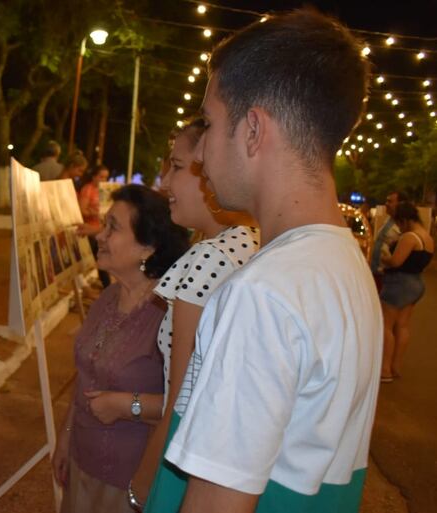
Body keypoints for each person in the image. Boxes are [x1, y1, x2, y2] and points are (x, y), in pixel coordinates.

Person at [159, 10, 382, 513]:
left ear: (254, 129)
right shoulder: (344, 265)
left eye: (210, 124)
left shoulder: (263, 293)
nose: (201, 155)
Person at [132, 120, 259, 512]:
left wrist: (142, 486)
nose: (165, 182)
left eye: (176, 166)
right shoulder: (251, 241)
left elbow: (180, 400)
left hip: (183, 466)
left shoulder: (209, 258)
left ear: (211, 166)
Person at [51, 184, 189, 513]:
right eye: (104, 224)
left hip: (128, 482)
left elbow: (187, 403)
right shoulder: (108, 297)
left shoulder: (170, 314)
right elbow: (85, 375)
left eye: (113, 227)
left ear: (148, 248)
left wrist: (129, 405)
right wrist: (65, 437)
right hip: (81, 462)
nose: (99, 235)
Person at [379, 202, 433, 382]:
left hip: (399, 284)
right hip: (417, 283)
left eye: (399, 222)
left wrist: (385, 258)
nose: (399, 227)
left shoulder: (409, 237)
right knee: (402, 325)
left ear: (404, 220)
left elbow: (396, 262)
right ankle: (396, 366)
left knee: (386, 325)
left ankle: (385, 369)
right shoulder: (427, 237)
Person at [78, 165, 112, 288]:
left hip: (100, 229)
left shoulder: (104, 191)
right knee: (98, 257)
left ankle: (105, 285)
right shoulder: (88, 189)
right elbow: (82, 210)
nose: (103, 180)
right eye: (101, 177)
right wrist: (94, 213)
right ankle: (106, 285)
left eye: (106, 177)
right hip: (90, 230)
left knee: (100, 258)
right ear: (94, 177)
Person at [371, 191, 407, 290]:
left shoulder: (404, 226)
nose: (386, 204)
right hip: (375, 272)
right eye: (386, 201)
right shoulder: (388, 220)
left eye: (390, 201)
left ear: (400, 204)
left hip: (386, 276)